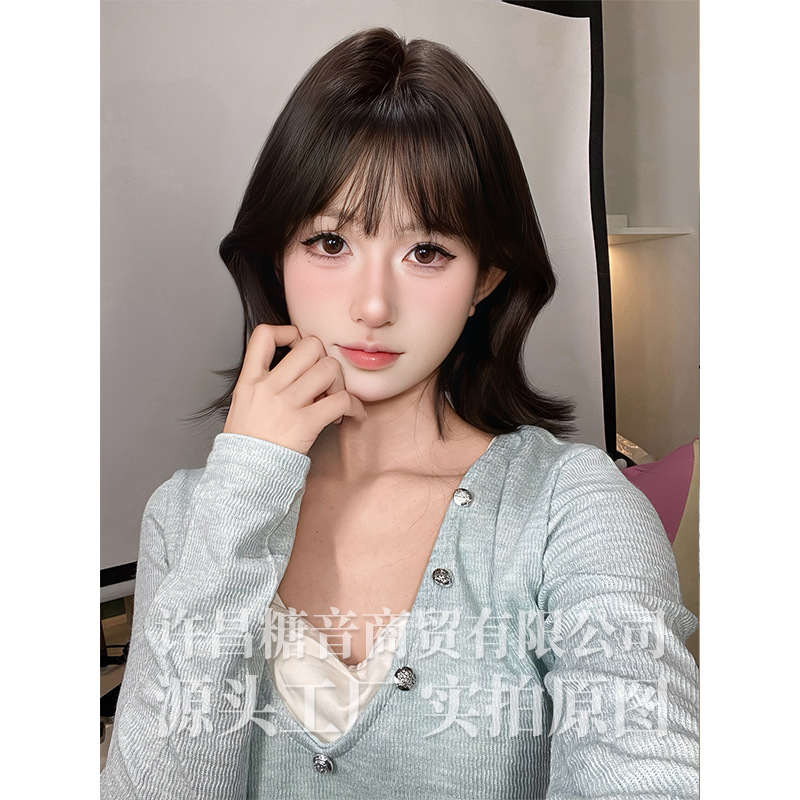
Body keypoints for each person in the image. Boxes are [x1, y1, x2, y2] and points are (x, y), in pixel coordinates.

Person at [100, 27, 699, 800]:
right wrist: (244, 479)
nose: (374, 305)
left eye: (427, 252)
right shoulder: (188, 519)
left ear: (486, 277)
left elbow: (644, 749)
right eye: (329, 241)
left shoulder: (572, 508)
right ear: (277, 256)